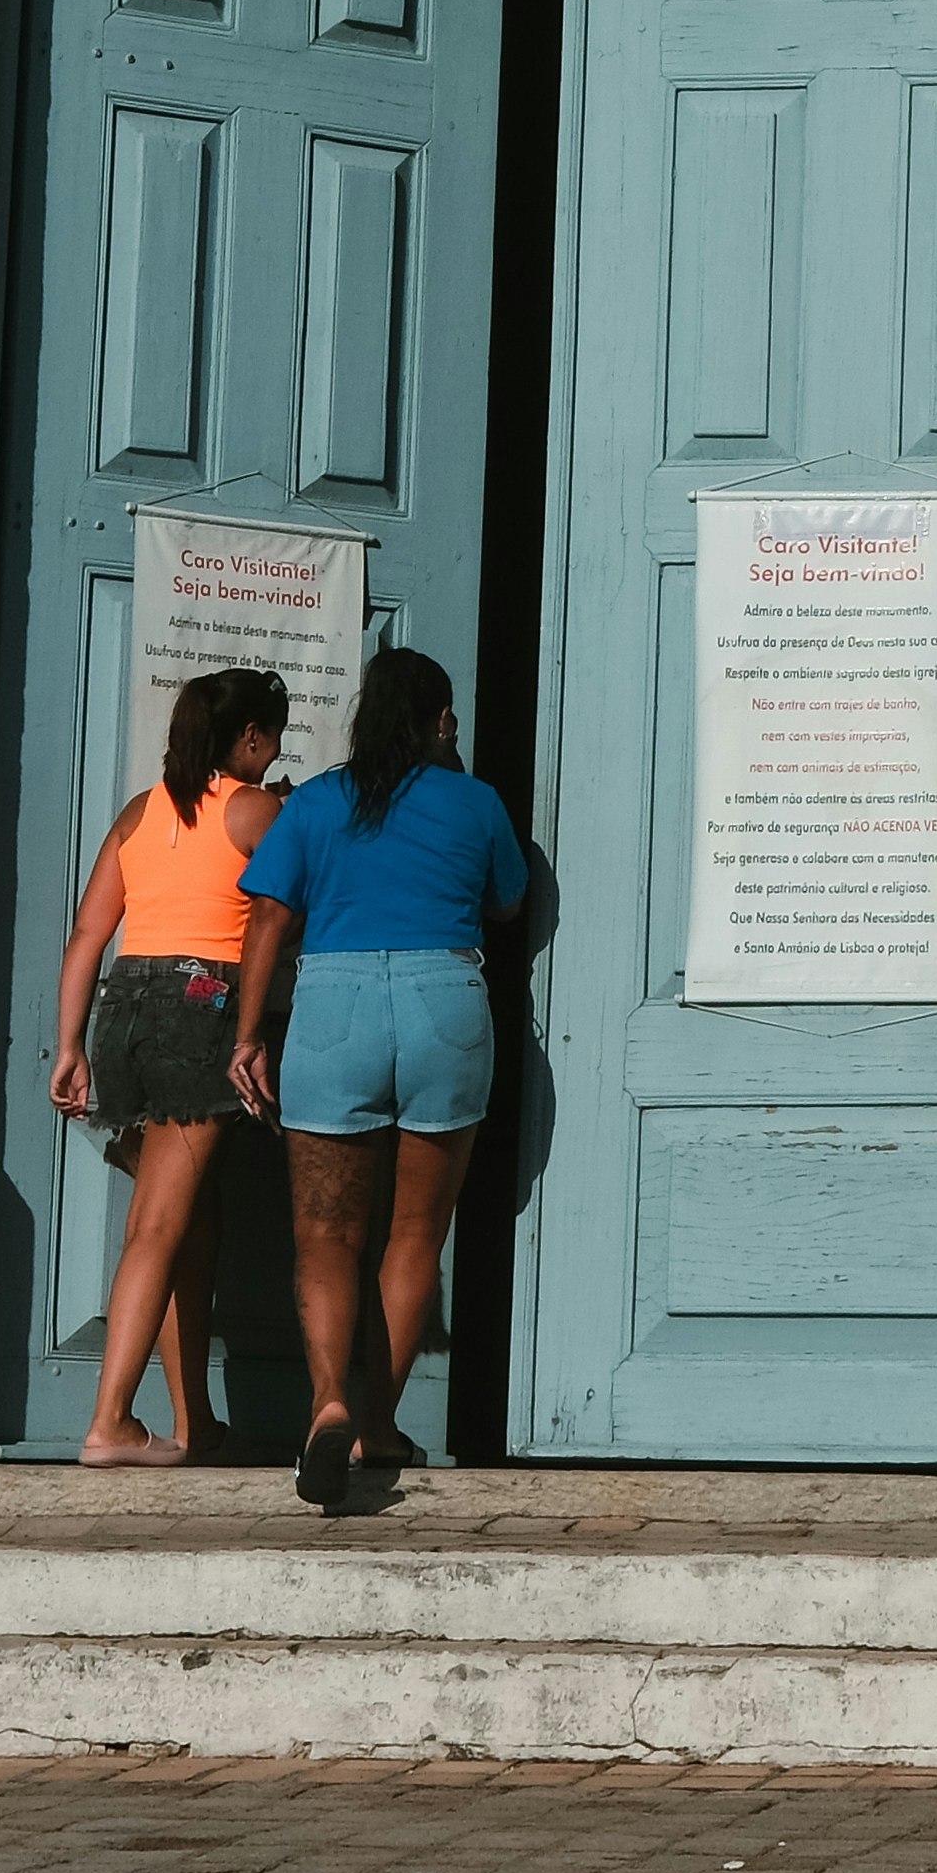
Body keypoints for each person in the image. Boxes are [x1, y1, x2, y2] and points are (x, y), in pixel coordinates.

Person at [229, 645, 528, 1511]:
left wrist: (249, 1035)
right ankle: (378, 1423)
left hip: (336, 1007)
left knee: (326, 1237)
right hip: (445, 1000)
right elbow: (505, 902)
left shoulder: (318, 802)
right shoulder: (473, 801)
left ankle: (325, 1401)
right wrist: (455, 773)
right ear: (440, 720)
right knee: (412, 1236)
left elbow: (270, 918)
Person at [49, 664, 291, 1464]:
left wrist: (70, 1044)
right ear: (250, 739)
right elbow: (297, 903)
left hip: (126, 1006)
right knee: (157, 1224)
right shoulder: (255, 809)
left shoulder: (139, 812)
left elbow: (89, 934)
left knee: (185, 1222)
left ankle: (193, 1425)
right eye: (272, 737)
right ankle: (111, 1421)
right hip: (201, 1009)